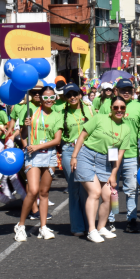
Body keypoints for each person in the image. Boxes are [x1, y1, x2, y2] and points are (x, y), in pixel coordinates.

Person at [71, 96, 129, 243]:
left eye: (122, 107)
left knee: (110, 196)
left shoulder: (126, 128)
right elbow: (82, 136)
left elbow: (119, 154)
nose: (119, 110)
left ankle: (101, 227)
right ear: (111, 108)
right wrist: (74, 156)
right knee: (95, 192)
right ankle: (91, 230)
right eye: (116, 107)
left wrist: (114, 174)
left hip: (106, 161)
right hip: (87, 156)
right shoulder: (99, 118)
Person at [13, 86, 63, 242]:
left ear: (55, 98)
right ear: (40, 99)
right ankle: (21, 226)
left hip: (49, 155)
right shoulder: (31, 112)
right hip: (33, 156)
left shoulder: (58, 115)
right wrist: (25, 127)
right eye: (45, 98)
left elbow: (57, 140)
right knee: (33, 190)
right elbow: (23, 135)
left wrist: (38, 146)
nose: (49, 100)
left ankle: (43, 227)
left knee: (44, 192)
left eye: (51, 97)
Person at [104, 78, 140, 233]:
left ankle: (131, 218)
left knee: (132, 188)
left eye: (129, 89)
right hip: (111, 153)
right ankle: (111, 218)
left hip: (131, 154)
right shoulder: (106, 106)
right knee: (112, 188)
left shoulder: (139, 107)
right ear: (116, 91)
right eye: (123, 90)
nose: (126, 92)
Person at [59, 83, 93, 236]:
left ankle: (90, 224)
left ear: (80, 95)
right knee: (74, 188)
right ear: (65, 98)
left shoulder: (88, 109)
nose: (72, 97)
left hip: (86, 151)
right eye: (68, 95)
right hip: (69, 150)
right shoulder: (61, 112)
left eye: (75, 94)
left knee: (86, 188)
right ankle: (77, 226)